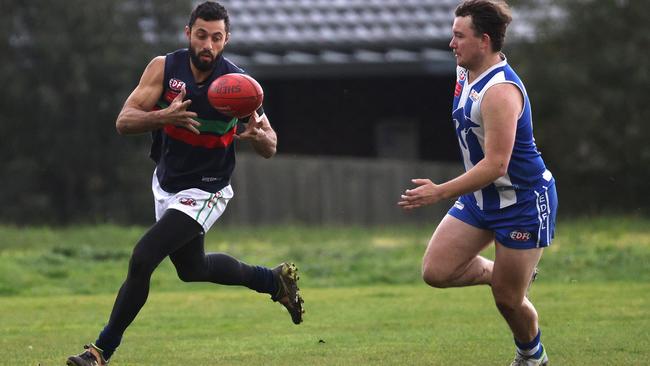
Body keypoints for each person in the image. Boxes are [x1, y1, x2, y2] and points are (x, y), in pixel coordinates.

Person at [66, 2, 304, 365]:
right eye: (201, 35)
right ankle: (273, 281)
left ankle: (99, 352)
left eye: (216, 38)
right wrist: (165, 115)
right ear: (188, 33)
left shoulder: (237, 85)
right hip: (167, 184)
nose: (208, 45)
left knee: (143, 257)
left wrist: (257, 136)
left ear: (226, 40)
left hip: (208, 189)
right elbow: (124, 120)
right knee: (194, 269)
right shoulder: (164, 68)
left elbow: (270, 146)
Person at [398, 1, 556, 365]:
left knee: (507, 299)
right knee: (436, 271)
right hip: (482, 197)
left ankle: (532, 356)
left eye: (458, 36)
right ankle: (499, 274)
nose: (451, 43)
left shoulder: (501, 92)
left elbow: (497, 164)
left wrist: (440, 190)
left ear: (484, 41)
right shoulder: (464, 72)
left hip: (522, 202)